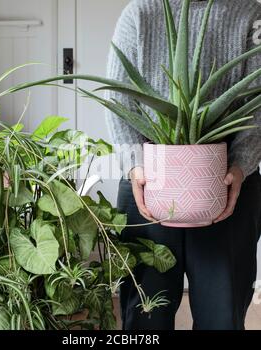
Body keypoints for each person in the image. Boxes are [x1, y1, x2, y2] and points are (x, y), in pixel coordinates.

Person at [106, 0, 261, 330]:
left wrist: (239, 167)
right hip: (148, 184)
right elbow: (119, 96)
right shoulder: (140, 12)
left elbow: (257, 104)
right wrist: (135, 167)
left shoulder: (251, 13)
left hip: (228, 185)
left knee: (223, 316)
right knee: (145, 317)